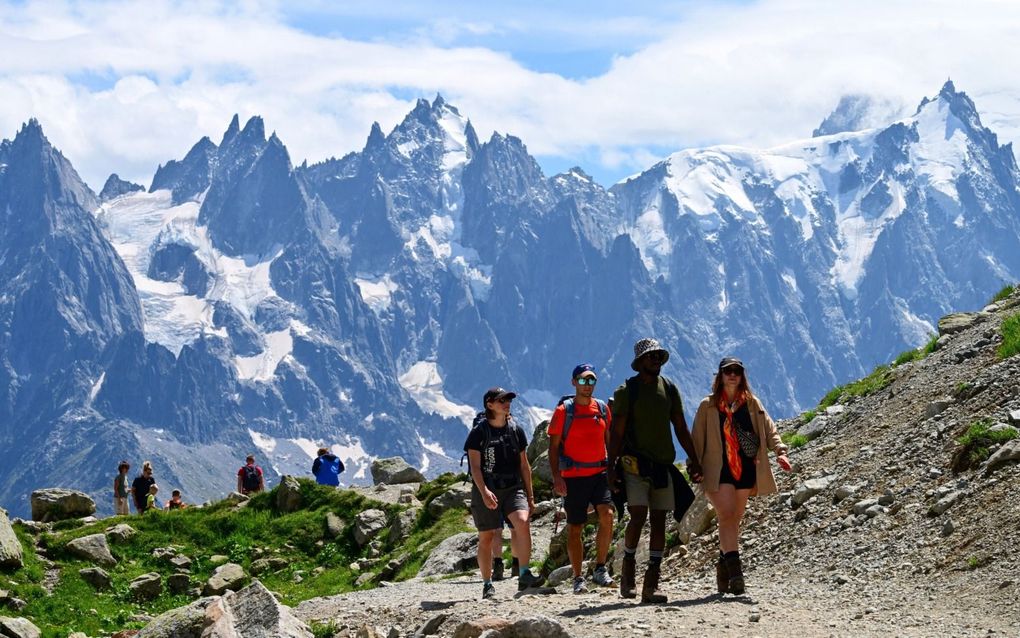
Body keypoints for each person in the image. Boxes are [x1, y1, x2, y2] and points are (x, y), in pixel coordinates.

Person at [607, 338, 702, 603]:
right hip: (633, 464)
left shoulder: (669, 388)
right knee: (638, 514)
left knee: (659, 519)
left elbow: (681, 428)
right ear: (640, 362)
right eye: (651, 357)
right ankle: (627, 572)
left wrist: (694, 459)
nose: (656, 361)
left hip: (661, 465)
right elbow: (616, 431)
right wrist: (610, 466)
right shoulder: (629, 390)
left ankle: (651, 583)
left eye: (659, 356)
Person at [691, 357, 791, 595]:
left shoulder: (752, 403)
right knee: (726, 514)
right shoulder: (708, 406)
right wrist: (694, 465)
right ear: (720, 376)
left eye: (737, 371)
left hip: (746, 468)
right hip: (718, 469)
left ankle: (723, 566)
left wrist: (781, 451)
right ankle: (736, 575)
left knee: (734, 518)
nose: (732, 375)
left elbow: (769, 429)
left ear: (742, 375)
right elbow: (696, 438)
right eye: (728, 371)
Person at [464, 387, 544, 599]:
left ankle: (524, 573)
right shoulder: (478, 433)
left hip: (513, 487)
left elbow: (524, 465)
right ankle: (487, 583)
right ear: (489, 405)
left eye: (508, 399)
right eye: (501, 400)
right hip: (487, 488)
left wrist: (531, 496)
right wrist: (484, 492)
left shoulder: (516, 429)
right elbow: (475, 467)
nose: (506, 403)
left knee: (522, 521)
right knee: (487, 537)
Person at [548, 363, 616, 594]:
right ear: (574, 382)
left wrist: (614, 469)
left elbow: (609, 441)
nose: (588, 385)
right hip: (574, 477)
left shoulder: (603, 409)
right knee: (575, 526)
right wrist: (557, 477)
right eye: (584, 380)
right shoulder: (563, 412)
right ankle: (578, 577)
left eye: (591, 381)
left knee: (607, 515)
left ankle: (600, 567)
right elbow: (553, 447)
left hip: (599, 473)